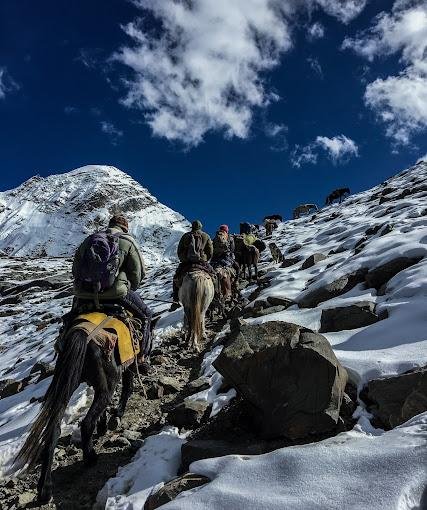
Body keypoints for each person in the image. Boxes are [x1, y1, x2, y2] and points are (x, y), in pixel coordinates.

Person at [71, 214, 152, 362]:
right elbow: (138, 273)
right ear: (125, 228)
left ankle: (62, 346)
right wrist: (129, 286)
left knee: (69, 320)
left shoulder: (90, 240)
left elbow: (75, 270)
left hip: (84, 294)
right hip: (116, 295)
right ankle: (142, 357)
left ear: (109, 225)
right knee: (146, 315)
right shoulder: (128, 241)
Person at [171, 220, 214, 309]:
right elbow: (210, 251)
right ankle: (216, 297)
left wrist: (185, 259)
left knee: (176, 277)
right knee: (214, 276)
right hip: (201, 262)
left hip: (187, 263)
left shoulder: (186, 236)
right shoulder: (206, 236)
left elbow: (179, 251)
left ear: (192, 226)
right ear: (200, 227)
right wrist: (204, 259)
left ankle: (175, 300)